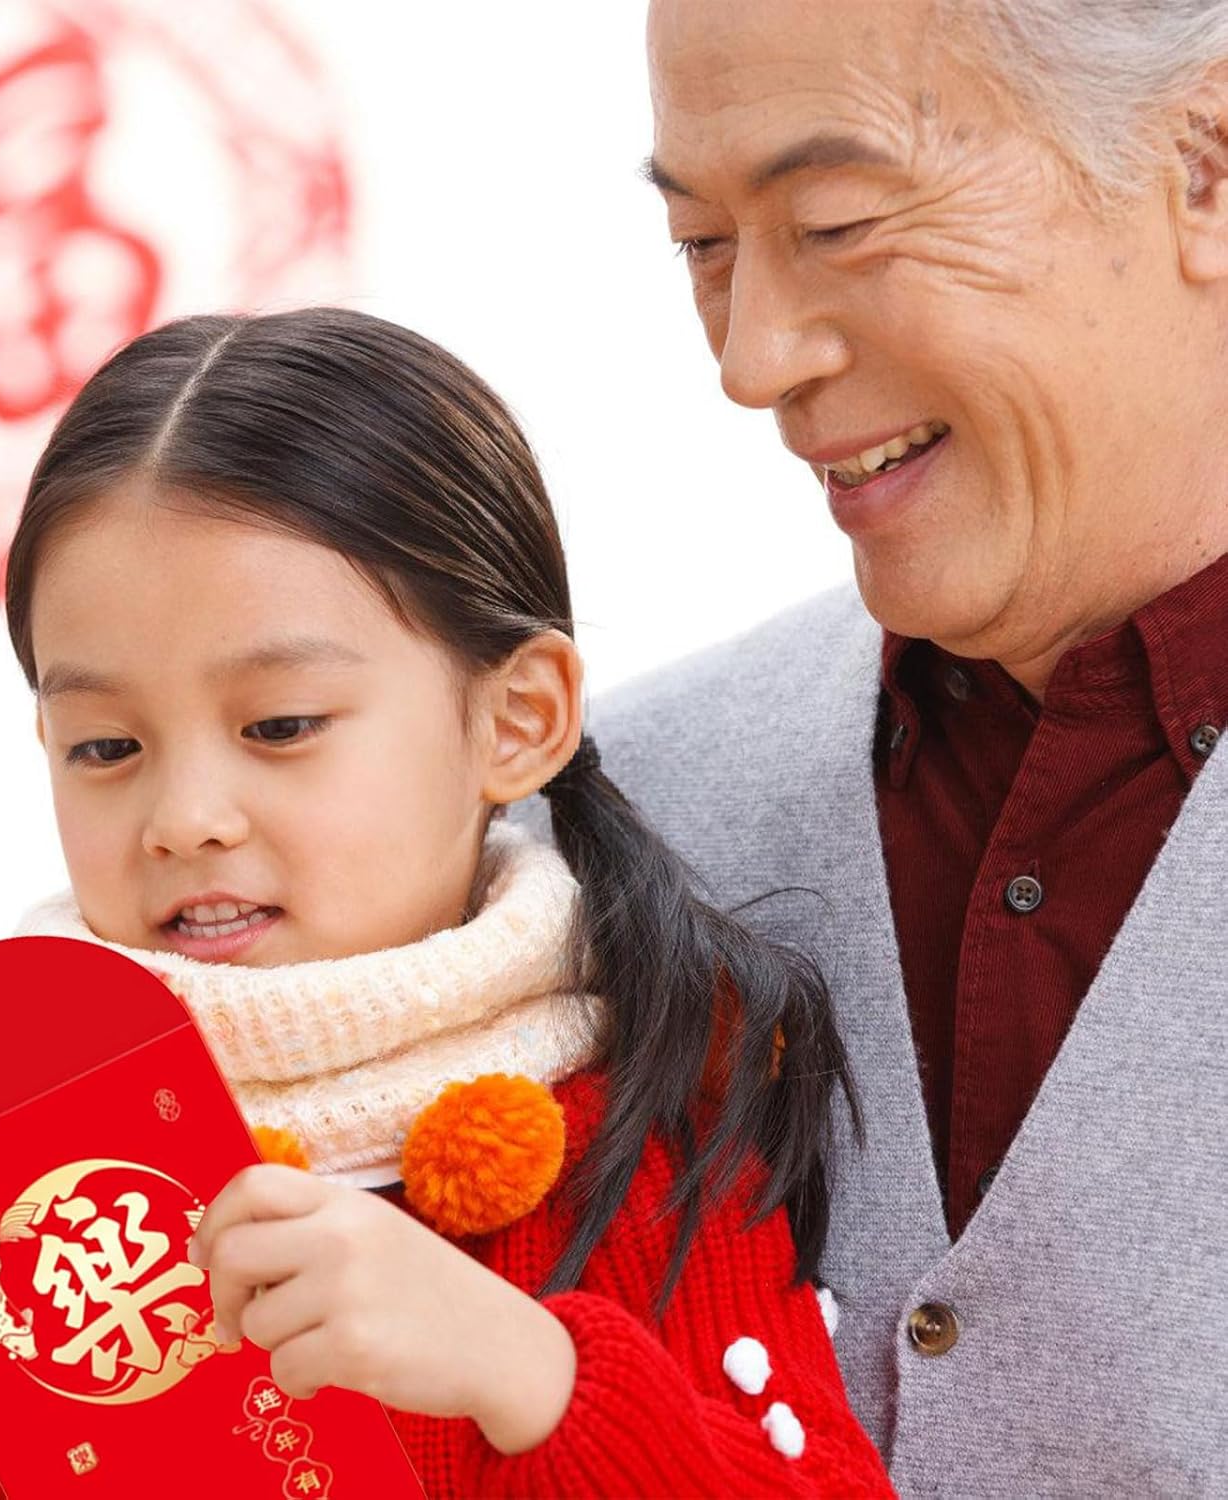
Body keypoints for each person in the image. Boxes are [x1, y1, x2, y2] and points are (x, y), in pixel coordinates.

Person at [0, 308, 893, 1498]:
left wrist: (531, 1376)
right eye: (106, 746)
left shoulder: (654, 1127)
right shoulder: (7, 1164)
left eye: (279, 725)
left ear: (518, 718)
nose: (185, 816)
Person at [600, 0, 1228, 1494]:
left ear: (1203, 164)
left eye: (839, 221)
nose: (752, 359)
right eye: (702, 244)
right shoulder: (611, 820)